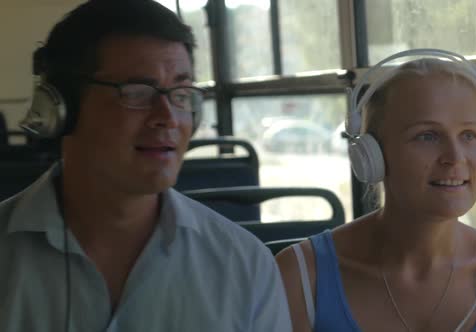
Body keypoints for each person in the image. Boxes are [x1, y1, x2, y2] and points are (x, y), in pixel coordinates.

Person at [0, 1, 291, 331]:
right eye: (137, 92)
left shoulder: (245, 265)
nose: (168, 118)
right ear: (62, 108)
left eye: (181, 93)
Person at [276, 50, 476, 331]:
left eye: (469, 135)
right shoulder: (299, 277)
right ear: (372, 155)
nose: (455, 157)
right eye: (427, 136)